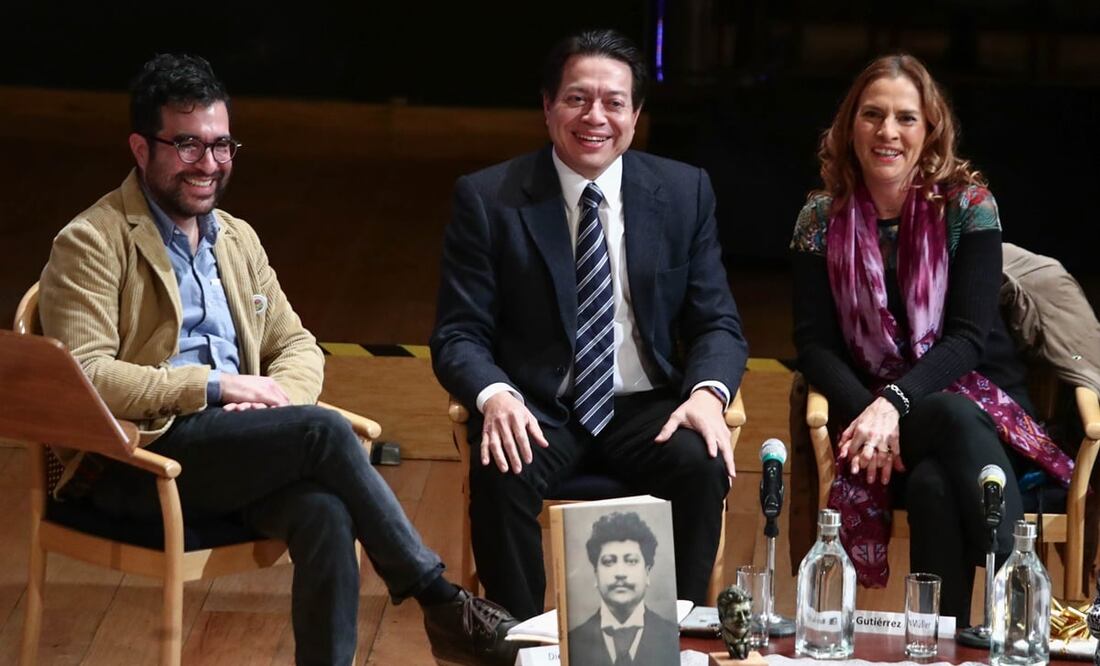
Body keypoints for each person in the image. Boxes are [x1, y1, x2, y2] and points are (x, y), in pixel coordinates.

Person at [38, 53, 523, 666]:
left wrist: (275, 406)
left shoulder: (234, 237)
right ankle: (438, 599)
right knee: (324, 430)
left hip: (230, 450)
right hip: (134, 462)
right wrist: (215, 388)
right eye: (187, 145)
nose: (208, 164)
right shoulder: (91, 240)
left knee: (323, 511)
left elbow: (296, 344)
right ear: (141, 148)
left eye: (221, 146)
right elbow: (86, 377)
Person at [430, 28, 749, 620]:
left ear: (636, 115)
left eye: (614, 102)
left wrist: (707, 393)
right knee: (501, 470)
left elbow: (718, 324)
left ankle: (671, 640)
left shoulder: (683, 192)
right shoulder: (488, 198)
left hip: (646, 406)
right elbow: (457, 333)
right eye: (577, 99)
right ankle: (518, 644)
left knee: (703, 463)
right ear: (548, 106)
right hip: (539, 406)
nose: (594, 117)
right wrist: (495, 394)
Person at [789, 53, 1073, 624]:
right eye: (872, 115)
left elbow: (968, 339)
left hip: (981, 406)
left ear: (931, 129)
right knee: (943, 423)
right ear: (850, 127)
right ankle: (1018, 612)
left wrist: (892, 404)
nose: (887, 131)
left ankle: (942, 640)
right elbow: (814, 344)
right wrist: (871, 415)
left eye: (906, 118)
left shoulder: (968, 206)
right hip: (872, 420)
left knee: (934, 487)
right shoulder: (820, 218)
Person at [567, 512, 679, 666]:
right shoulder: (573, 641)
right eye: (608, 562)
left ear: (647, 572)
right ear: (595, 574)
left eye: (631, 561)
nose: (620, 573)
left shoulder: (671, 636)